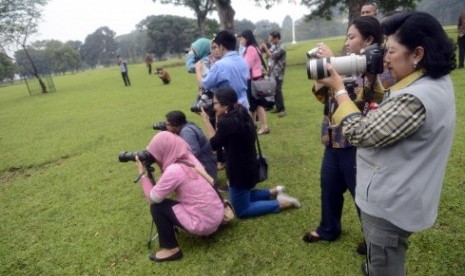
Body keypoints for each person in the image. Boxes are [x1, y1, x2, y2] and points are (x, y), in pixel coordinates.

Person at [318, 11, 456, 275]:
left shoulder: (417, 98)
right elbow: (391, 109)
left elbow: (358, 132)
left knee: (385, 267)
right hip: (405, 195)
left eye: (391, 51)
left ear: (417, 53)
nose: (386, 58)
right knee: (379, 260)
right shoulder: (434, 81)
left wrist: (337, 88)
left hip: (389, 208)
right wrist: (373, 81)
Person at [302, 16, 384, 256]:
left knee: (362, 194)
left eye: (352, 37)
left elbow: (367, 99)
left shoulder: (375, 69)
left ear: (368, 40)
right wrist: (326, 70)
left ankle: (374, 241)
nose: (347, 42)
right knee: (328, 187)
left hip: (355, 143)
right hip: (332, 140)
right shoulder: (342, 64)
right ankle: (329, 228)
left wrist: (337, 71)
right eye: (346, 37)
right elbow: (322, 97)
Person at [200, 87, 301, 218]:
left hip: (239, 170)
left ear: (225, 104)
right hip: (248, 164)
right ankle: (274, 191)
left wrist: (206, 120)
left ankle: (281, 203)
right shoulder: (241, 110)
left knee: (241, 210)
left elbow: (214, 144)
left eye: (214, 103)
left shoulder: (228, 122)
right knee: (239, 196)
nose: (212, 106)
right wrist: (219, 116)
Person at [135, 131, 224, 262]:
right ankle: (209, 229)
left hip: (204, 223)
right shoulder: (189, 158)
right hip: (217, 215)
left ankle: (170, 249)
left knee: (157, 207)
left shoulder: (174, 171)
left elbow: (152, 199)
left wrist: (142, 175)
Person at [164, 110, 217, 182]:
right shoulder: (188, 126)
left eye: (167, 124)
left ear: (175, 124)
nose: (165, 126)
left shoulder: (187, 132)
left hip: (207, 172)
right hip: (207, 167)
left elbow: (194, 153)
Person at [201, 31, 250, 110]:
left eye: (217, 47)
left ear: (222, 47)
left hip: (228, 109)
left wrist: (198, 69)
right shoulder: (243, 61)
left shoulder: (219, 65)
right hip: (244, 106)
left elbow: (206, 84)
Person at [239, 30, 270, 135]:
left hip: (253, 79)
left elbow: (247, 65)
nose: (240, 40)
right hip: (256, 78)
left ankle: (264, 126)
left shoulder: (250, 49)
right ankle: (252, 126)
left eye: (242, 38)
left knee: (257, 104)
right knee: (254, 104)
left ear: (246, 38)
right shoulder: (255, 47)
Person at [261, 31, 287, 117]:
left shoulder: (282, 47)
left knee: (278, 90)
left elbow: (273, 56)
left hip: (279, 72)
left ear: (276, 38)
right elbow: (266, 53)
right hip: (273, 72)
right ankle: (278, 107)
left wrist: (265, 47)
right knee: (274, 90)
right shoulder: (275, 46)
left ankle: (282, 109)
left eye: (272, 39)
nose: (271, 41)